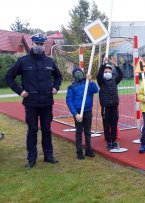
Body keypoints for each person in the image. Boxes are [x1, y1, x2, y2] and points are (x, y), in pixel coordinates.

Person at [5, 33, 62, 168]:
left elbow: (59, 77)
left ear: (44, 45)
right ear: (32, 44)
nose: (39, 46)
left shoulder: (50, 61)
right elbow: (9, 77)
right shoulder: (23, 61)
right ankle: (31, 159)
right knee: (32, 130)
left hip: (47, 102)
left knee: (47, 130)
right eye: (37, 44)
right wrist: (20, 91)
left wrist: (56, 87)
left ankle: (48, 156)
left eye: (41, 44)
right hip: (31, 103)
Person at [66, 67, 98, 159]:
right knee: (79, 131)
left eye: (80, 72)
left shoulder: (87, 83)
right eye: (76, 73)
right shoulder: (71, 86)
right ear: (73, 75)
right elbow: (69, 101)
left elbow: (95, 90)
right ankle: (79, 152)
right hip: (78, 113)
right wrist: (75, 114)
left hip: (88, 110)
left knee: (88, 131)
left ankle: (88, 150)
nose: (78, 74)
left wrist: (91, 81)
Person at [97, 56, 123, 151]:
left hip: (114, 106)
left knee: (114, 124)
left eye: (109, 71)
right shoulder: (101, 82)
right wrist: (103, 64)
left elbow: (121, 75)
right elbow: (99, 75)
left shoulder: (114, 81)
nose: (108, 73)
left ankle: (114, 141)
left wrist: (116, 65)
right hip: (106, 106)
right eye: (106, 71)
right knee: (107, 125)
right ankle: (108, 142)